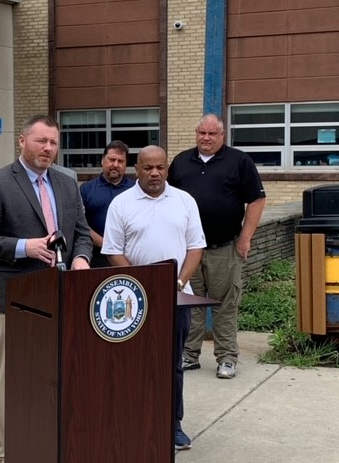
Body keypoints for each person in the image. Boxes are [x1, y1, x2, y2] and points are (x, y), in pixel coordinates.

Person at [0, 114, 92, 463]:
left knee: (60, 375)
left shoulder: (67, 183)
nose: (48, 149)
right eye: (41, 141)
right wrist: (26, 246)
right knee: (14, 380)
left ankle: (54, 442)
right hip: (19, 297)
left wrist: (82, 258)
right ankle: (7, 452)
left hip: (65, 293)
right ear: (22, 141)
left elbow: (81, 232)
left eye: (53, 142)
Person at [102, 145, 205, 451]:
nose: (155, 173)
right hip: (133, 302)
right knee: (132, 364)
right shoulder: (121, 204)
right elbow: (112, 251)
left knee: (172, 364)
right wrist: (142, 284)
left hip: (176, 299)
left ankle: (172, 425)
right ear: (137, 170)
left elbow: (195, 247)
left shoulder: (184, 201)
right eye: (148, 168)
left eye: (161, 167)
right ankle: (131, 422)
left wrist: (178, 281)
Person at [168, 113, 266, 379]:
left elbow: (256, 200)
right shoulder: (180, 162)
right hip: (189, 250)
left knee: (225, 304)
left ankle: (226, 358)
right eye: (202, 133)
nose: (206, 138)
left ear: (222, 135)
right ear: (196, 133)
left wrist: (245, 238)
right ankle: (189, 355)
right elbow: (167, 199)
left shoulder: (239, 161)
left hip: (224, 247)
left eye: (212, 134)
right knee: (190, 304)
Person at [79, 140, 134, 267]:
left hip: (128, 257)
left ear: (126, 164)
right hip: (96, 257)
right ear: (103, 160)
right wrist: (105, 244)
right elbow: (80, 224)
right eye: (112, 159)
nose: (115, 164)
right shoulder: (86, 189)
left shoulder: (135, 190)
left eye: (120, 161)